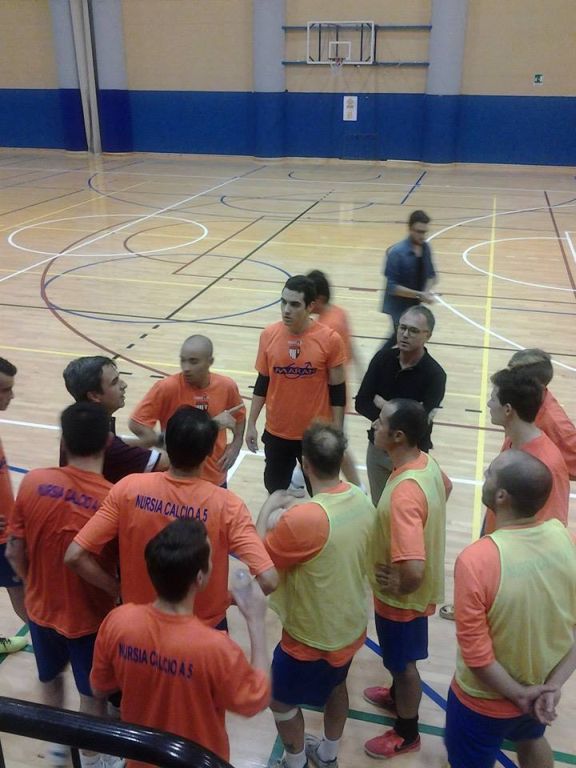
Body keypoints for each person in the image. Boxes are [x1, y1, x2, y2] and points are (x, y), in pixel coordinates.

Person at [65, 406, 277, 630]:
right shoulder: (228, 506)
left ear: (166, 444)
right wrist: (229, 599)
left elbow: (75, 555)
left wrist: (115, 588)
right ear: (208, 453)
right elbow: (269, 579)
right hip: (203, 628)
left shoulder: (127, 488)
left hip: (137, 623)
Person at [91, 518, 270, 767]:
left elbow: (100, 688)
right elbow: (255, 699)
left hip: (141, 760)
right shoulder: (215, 648)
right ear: (200, 578)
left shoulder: (117, 622)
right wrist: (256, 622)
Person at [7, 402, 121, 768]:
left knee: (50, 678)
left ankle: (57, 747)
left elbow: (13, 551)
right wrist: (115, 591)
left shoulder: (33, 481)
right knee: (93, 695)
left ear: (64, 440)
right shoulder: (112, 499)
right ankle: (91, 760)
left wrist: (33, 586)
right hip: (89, 620)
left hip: (40, 612)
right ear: (107, 441)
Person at [445, 450, 576, 768]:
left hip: (483, 701)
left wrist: (518, 694)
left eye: (489, 473)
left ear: (502, 496)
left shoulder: (476, 560)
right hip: (540, 689)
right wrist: (552, 686)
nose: (484, 477)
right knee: (531, 740)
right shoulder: (566, 539)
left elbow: (478, 658)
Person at [256, 423, 375, 768]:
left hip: (311, 636)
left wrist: (270, 504)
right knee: (336, 687)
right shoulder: (361, 499)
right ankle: (328, 755)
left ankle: (295, 762)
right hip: (350, 625)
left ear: (304, 463)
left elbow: (261, 566)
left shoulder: (304, 519)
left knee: (279, 700)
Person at [363, 399, 451, 760]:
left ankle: (407, 731)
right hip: (411, 595)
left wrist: (400, 584)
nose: (374, 425)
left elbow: (413, 569)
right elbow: (446, 488)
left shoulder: (404, 494)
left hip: (401, 601)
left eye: (380, 422)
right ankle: (397, 695)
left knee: (403, 666)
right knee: (398, 661)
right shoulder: (425, 463)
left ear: (398, 435)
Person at [246, 275, 346, 493]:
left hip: (315, 435)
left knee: (322, 494)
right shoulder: (268, 335)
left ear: (310, 306)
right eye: (283, 302)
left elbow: (338, 390)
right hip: (277, 432)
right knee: (275, 489)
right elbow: (262, 381)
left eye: (294, 304)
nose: (286, 310)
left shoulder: (330, 339)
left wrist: (337, 431)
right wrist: (251, 423)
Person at [355, 306, 446, 506]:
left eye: (413, 330)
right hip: (377, 449)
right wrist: (403, 412)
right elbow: (362, 403)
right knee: (380, 508)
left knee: (406, 508)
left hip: (411, 454)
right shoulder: (382, 359)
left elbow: (418, 424)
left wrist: (384, 405)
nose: (405, 334)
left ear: (427, 335)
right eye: (402, 327)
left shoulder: (435, 375)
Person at [129, 335, 245, 487]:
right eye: (182, 360)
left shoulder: (227, 386)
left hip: (214, 477)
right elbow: (136, 423)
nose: (186, 368)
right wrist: (164, 442)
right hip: (176, 478)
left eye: (193, 361)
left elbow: (240, 416)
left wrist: (236, 444)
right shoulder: (166, 388)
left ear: (210, 362)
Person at [483, 367, 569, 534]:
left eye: (493, 399)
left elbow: (552, 528)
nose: (488, 404)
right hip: (497, 533)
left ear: (508, 409)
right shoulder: (512, 440)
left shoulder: (547, 464)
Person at [62, 356, 169, 483]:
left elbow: (116, 442)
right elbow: (165, 463)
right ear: (94, 395)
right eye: (114, 382)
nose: (124, 385)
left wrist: (149, 441)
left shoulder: (76, 426)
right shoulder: (110, 448)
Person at [306, 269, 363, 488]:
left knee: (334, 445)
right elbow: (352, 349)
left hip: (329, 394)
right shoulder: (339, 312)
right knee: (322, 439)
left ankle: (357, 487)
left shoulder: (328, 327)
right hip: (338, 387)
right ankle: (301, 476)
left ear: (319, 299)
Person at [507, 348, 576, 479]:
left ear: (536, 386)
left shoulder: (556, 424)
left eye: (514, 380)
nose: (507, 383)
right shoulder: (521, 402)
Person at [0, 357, 28, 653]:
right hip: (2, 538)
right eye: (5, 390)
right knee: (25, 599)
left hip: (7, 531)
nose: (12, 395)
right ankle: (52, 650)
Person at [381, 210, 437, 350]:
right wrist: (420, 294)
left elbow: (431, 275)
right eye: (419, 232)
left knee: (401, 339)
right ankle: (381, 359)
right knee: (402, 338)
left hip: (414, 304)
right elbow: (393, 287)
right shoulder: (397, 253)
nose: (422, 236)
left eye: (424, 232)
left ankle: (382, 358)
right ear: (410, 229)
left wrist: (426, 292)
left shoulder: (426, 248)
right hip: (397, 306)